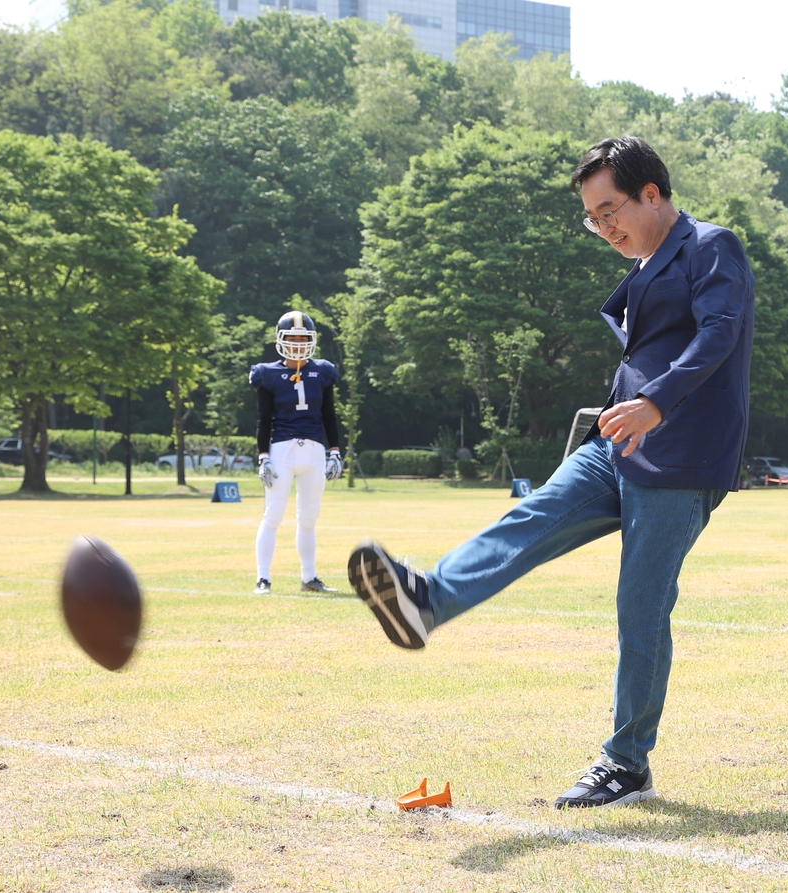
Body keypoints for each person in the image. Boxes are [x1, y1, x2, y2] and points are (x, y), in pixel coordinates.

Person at [347, 137, 755, 808]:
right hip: (617, 443)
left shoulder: (712, 247)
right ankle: (426, 602)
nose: (604, 228)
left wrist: (656, 401)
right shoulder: (650, 263)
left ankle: (627, 765)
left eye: (610, 210)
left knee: (640, 606)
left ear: (652, 194)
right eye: (593, 218)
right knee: (530, 517)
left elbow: (720, 334)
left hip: (681, 456)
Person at [250, 311, 344, 596]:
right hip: (282, 449)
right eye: (292, 337)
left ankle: (309, 577)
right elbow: (264, 419)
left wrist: (336, 451)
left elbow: (329, 415)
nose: (298, 343)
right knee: (274, 513)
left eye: (303, 338)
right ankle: (263, 578)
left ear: (312, 340)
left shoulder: (323, 371)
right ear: (280, 339)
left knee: (309, 518)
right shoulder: (267, 374)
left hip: (314, 449)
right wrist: (263, 455)